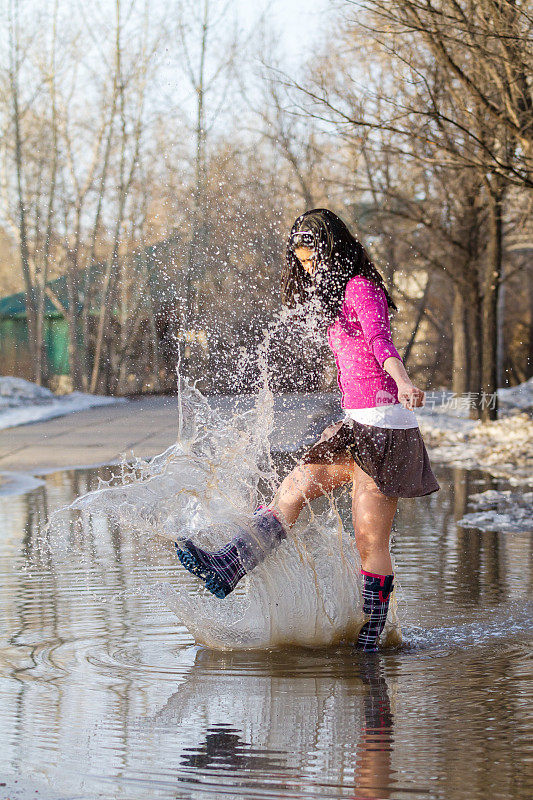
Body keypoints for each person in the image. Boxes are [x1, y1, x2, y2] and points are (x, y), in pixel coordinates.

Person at [175, 208, 440, 652]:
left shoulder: (362, 288)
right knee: (292, 491)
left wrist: (404, 380)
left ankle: (371, 636)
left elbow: (381, 344)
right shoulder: (334, 295)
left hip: (385, 428)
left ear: (331, 247)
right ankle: (227, 567)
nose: (303, 259)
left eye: (310, 249)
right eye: (297, 251)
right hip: (356, 425)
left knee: (368, 540)